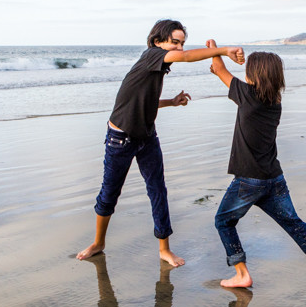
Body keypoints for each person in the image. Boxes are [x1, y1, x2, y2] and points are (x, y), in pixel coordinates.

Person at [77, 20, 245, 266]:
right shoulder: (152, 56)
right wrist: (222, 50)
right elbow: (186, 57)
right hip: (120, 139)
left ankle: (164, 249)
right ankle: (98, 242)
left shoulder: (157, 68)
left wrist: (172, 102)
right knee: (109, 193)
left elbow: (144, 102)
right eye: (174, 42)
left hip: (146, 136)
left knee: (158, 190)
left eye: (181, 43)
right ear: (158, 42)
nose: (178, 47)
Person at [207, 43, 306, 288]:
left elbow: (218, 68)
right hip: (274, 178)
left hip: (249, 180)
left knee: (223, 221)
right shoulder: (275, 100)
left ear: (254, 75)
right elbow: (224, 73)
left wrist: (215, 48)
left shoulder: (246, 95)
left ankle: (242, 275)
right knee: (294, 224)